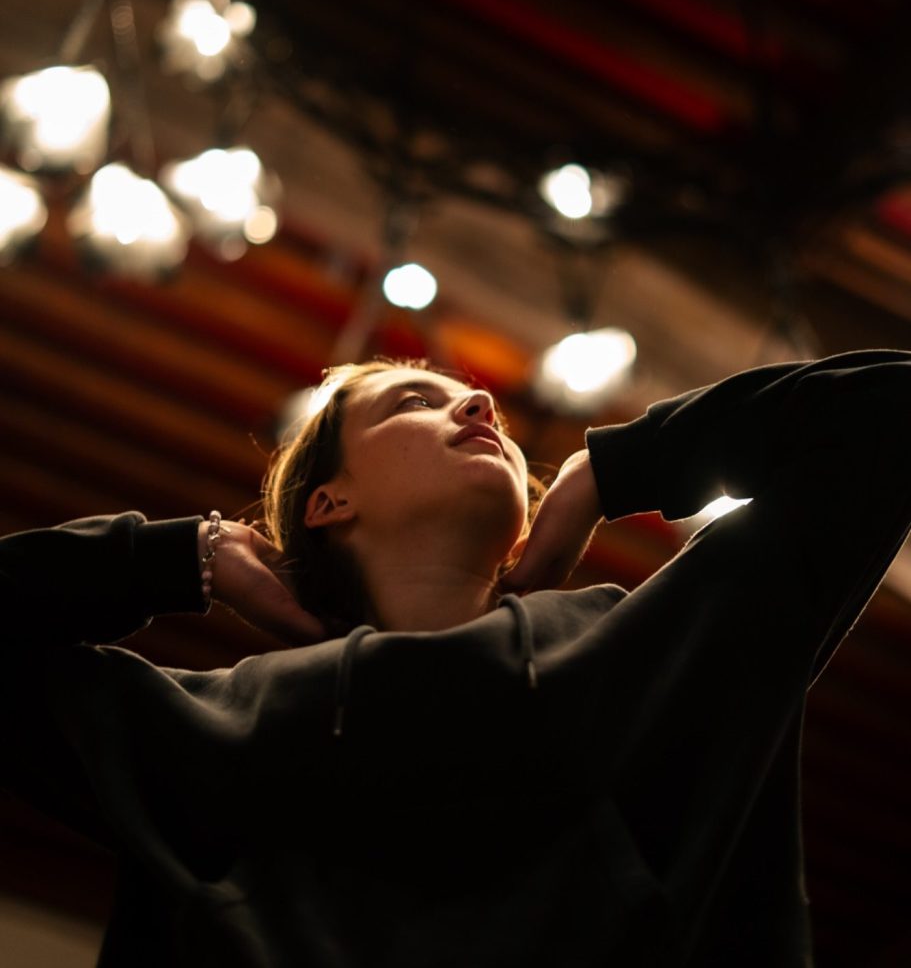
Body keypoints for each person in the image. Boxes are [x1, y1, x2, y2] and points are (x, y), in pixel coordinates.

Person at [1, 348, 910, 967]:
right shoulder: (204, 724)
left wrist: (614, 470)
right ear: (327, 504)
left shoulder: (653, 649)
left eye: (479, 408)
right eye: (413, 402)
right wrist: (185, 553)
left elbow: (888, 416)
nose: (478, 403)